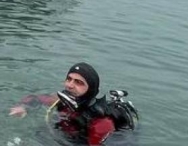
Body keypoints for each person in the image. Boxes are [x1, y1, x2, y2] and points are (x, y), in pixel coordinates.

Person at [9, 62, 139, 145]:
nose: (70, 85)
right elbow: (36, 98)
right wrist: (23, 107)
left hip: (88, 139)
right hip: (68, 133)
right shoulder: (62, 100)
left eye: (79, 82)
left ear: (91, 89)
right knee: (40, 132)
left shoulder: (100, 123)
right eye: (69, 79)